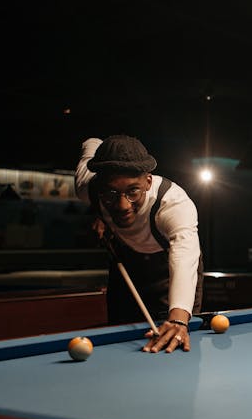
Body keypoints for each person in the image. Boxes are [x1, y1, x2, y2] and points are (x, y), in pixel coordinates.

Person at [75, 135, 203, 353]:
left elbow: (185, 254)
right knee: (118, 337)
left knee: (172, 338)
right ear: (100, 188)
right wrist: (101, 216)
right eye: (111, 194)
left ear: (148, 182)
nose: (123, 205)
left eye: (133, 191)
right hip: (127, 263)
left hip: (168, 270)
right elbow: (90, 144)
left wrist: (179, 319)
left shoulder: (173, 203)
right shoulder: (87, 187)